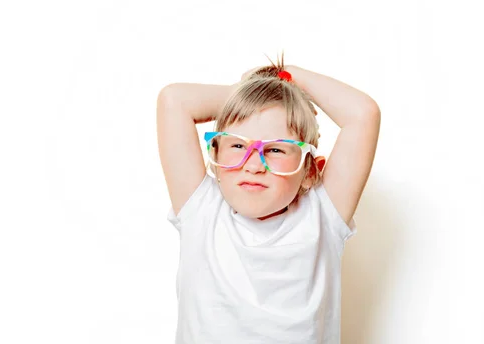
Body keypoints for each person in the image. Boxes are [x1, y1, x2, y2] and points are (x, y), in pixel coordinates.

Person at [156, 52, 381, 344]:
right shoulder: (202, 210)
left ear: (311, 171)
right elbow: (173, 100)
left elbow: (364, 114)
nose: (253, 164)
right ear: (215, 157)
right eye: (238, 145)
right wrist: (260, 91)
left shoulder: (322, 216)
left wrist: (288, 79)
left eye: (275, 149)